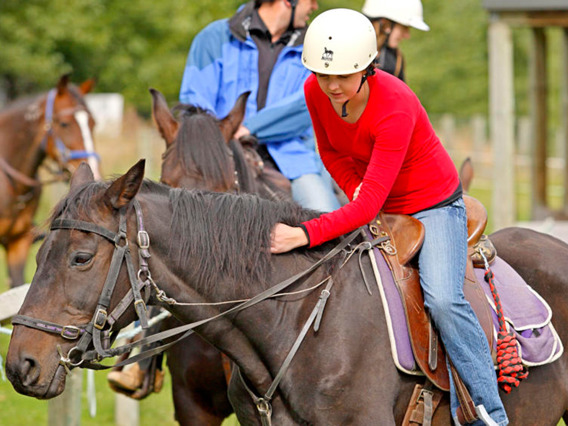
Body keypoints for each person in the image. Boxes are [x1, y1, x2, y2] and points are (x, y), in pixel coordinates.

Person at [270, 8, 508, 426]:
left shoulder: (394, 105)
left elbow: (365, 209)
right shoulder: (315, 90)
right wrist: (353, 185)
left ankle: (489, 413)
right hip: (379, 199)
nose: (332, 85)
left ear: (367, 67)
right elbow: (331, 152)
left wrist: (304, 234)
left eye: (343, 75)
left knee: (443, 298)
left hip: (431, 203)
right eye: (324, 75)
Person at [179, 0, 340, 212]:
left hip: (294, 160)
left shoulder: (317, 48)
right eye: (310, 0)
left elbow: (309, 102)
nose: (314, 6)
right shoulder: (213, 37)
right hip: (221, 155)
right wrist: (220, 135)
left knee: (326, 215)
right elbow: (194, 103)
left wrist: (249, 128)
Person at [361, 0, 429, 81]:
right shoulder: (349, 49)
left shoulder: (395, 60)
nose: (407, 36)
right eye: (404, 28)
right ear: (385, 24)